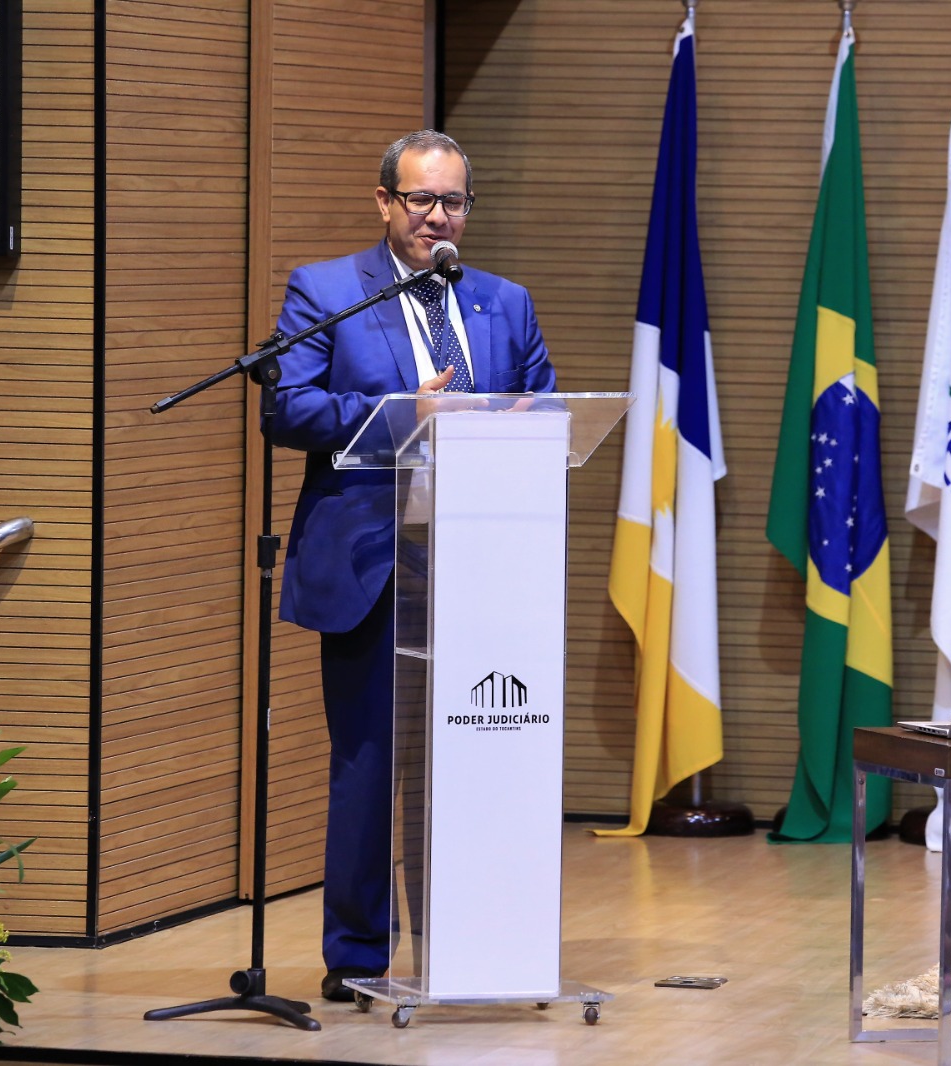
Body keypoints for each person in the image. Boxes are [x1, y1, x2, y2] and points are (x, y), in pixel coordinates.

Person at [270, 129, 557, 999]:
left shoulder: (505, 302)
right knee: (370, 767)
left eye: (453, 201)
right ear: (385, 201)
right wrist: (400, 411)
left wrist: (521, 421)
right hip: (375, 563)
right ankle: (359, 958)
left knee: (483, 760)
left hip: (486, 566)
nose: (438, 216)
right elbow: (287, 407)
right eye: (422, 199)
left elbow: (547, 409)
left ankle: (476, 944)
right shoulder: (327, 291)